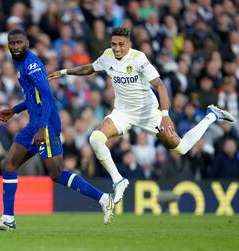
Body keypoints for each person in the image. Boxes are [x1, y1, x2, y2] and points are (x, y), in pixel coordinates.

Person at [48, 26, 235, 204]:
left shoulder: (139, 58)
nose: (117, 48)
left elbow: (160, 85)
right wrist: (64, 72)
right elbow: (90, 68)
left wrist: (165, 114)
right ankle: (119, 181)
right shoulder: (107, 56)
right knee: (96, 139)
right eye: (114, 44)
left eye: (121, 44)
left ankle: (211, 115)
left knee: (181, 148)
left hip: (148, 113)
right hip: (122, 113)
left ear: (128, 44)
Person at [0, 29, 113, 231]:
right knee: (8, 165)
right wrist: (15, 111)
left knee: (56, 173)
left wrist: (43, 128)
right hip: (34, 124)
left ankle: (104, 198)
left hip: (46, 125)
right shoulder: (20, 63)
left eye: (19, 42)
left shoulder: (32, 65)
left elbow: (46, 98)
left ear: (26, 43)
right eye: (12, 43)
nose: (15, 46)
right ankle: (7, 218)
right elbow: (33, 97)